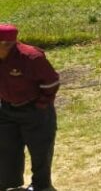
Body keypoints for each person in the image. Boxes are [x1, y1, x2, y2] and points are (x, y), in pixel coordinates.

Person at [0, 23, 59, 191]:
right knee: (6, 148)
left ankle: (41, 186)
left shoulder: (32, 57)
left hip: (34, 109)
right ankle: (7, 183)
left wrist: (40, 105)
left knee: (40, 150)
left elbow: (51, 82)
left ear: (5, 44)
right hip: (6, 109)